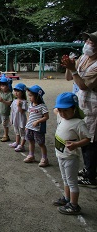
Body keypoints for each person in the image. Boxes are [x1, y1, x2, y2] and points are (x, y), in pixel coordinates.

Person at [62, 31, 97, 188]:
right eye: (88, 40)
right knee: (83, 137)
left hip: (93, 108)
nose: (88, 43)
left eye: (92, 42)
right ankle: (88, 169)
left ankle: (91, 175)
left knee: (90, 140)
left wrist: (74, 69)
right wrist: (69, 66)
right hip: (82, 105)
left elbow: (83, 85)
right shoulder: (83, 58)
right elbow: (69, 78)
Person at [53, 92, 91, 215]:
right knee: (65, 179)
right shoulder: (61, 116)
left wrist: (75, 145)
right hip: (61, 155)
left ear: (74, 109)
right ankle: (67, 198)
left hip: (71, 157)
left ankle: (74, 205)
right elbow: (56, 111)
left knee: (72, 181)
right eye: (60, 110)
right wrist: (58, 109)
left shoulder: (79, 123)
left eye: (66, 110)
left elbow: (87, 139)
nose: (62, 113)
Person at [23, 85, 49, 167]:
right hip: (30, 127)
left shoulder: (42, 106)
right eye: (29, 95)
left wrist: (38, 121)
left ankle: (44, 158)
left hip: (38, 128)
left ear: (37, 96)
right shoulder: (31, 105)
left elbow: (46, 117)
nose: (29, 97)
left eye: (31, 95)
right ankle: (31, 155)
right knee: (31, 141)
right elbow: (29, 115)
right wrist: (27, 125)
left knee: (41, 143)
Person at [9, 83, 28, 152]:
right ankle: (17, 142)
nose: (16, 93)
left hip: (21, 120)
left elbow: (22, 112)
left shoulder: (24, 102)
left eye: (18, 91)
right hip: (15, 119)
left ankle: (22, 145)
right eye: (15, 91)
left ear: (22, 93)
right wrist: (11, 119)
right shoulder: (14, 101)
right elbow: (12, 111)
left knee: (22, 132)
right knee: (16, 131)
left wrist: (19, 106)